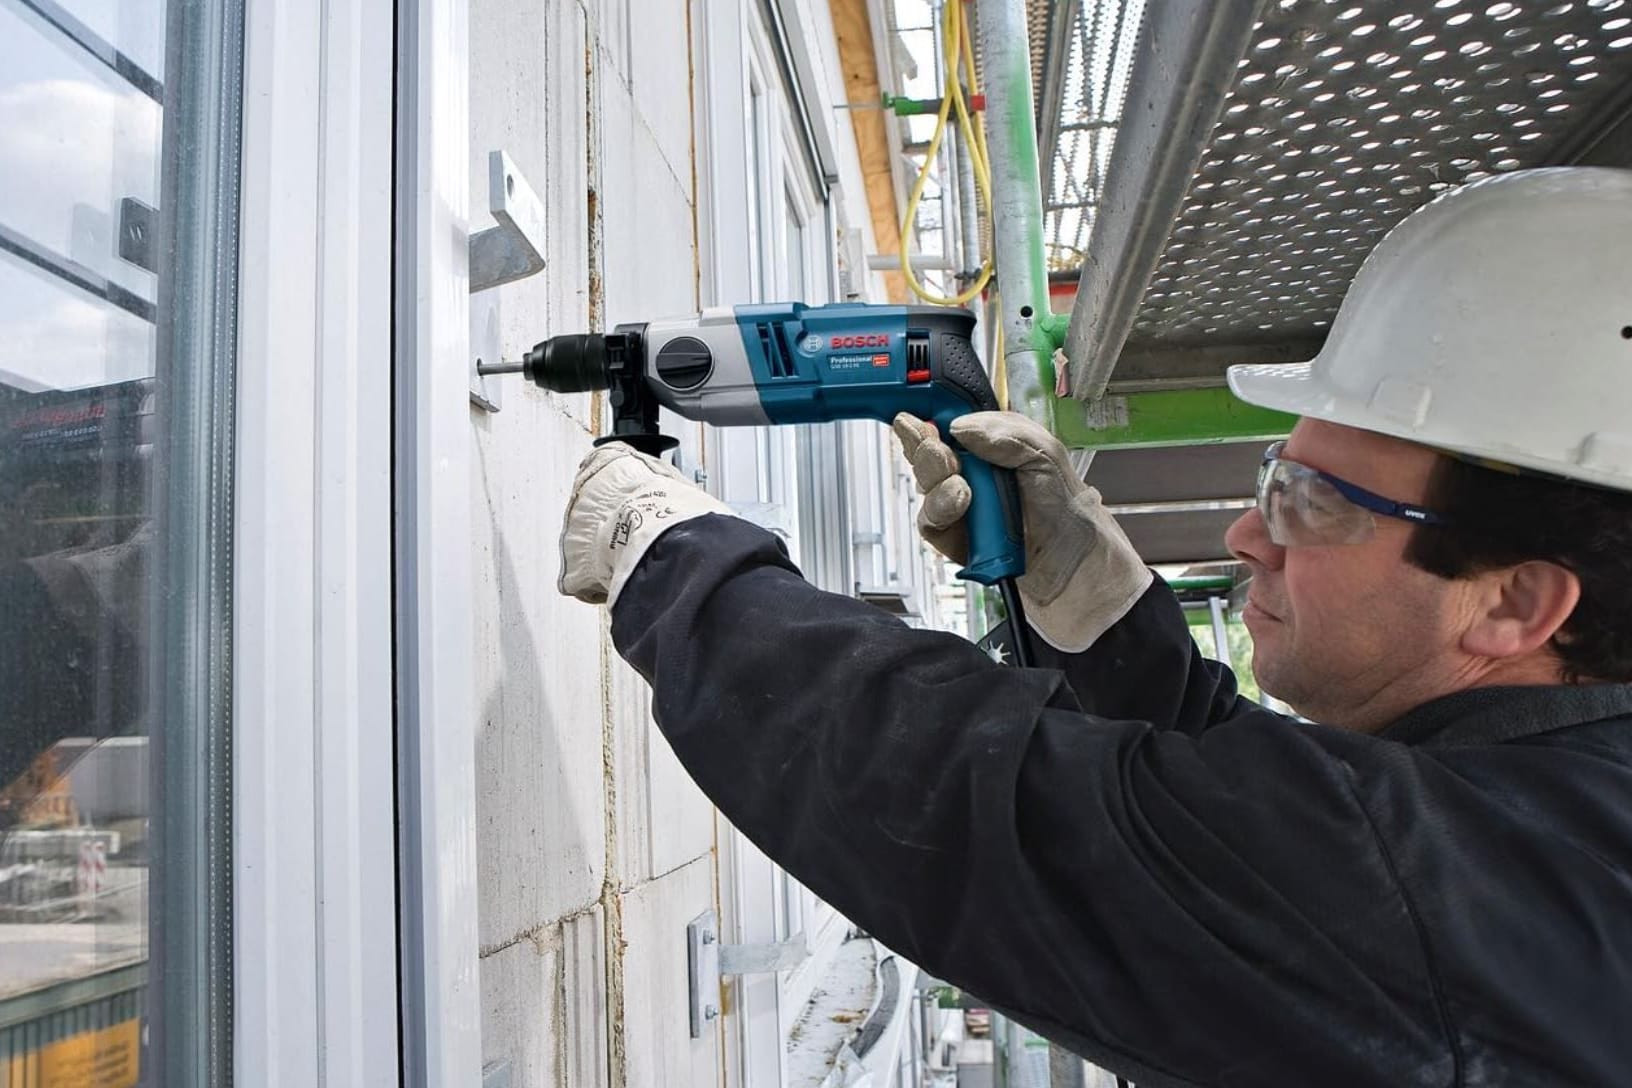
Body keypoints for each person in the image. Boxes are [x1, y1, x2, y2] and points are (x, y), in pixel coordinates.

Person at [556, 167, 1632, 1085]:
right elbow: (1259, 812)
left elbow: (1004, 816)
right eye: (1272, 477)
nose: (1247, 531)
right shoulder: (1551, 824)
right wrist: (1103, 618)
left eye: (1312, 500)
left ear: (1513, 603)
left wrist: (683, 563)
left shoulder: (1487, 901)